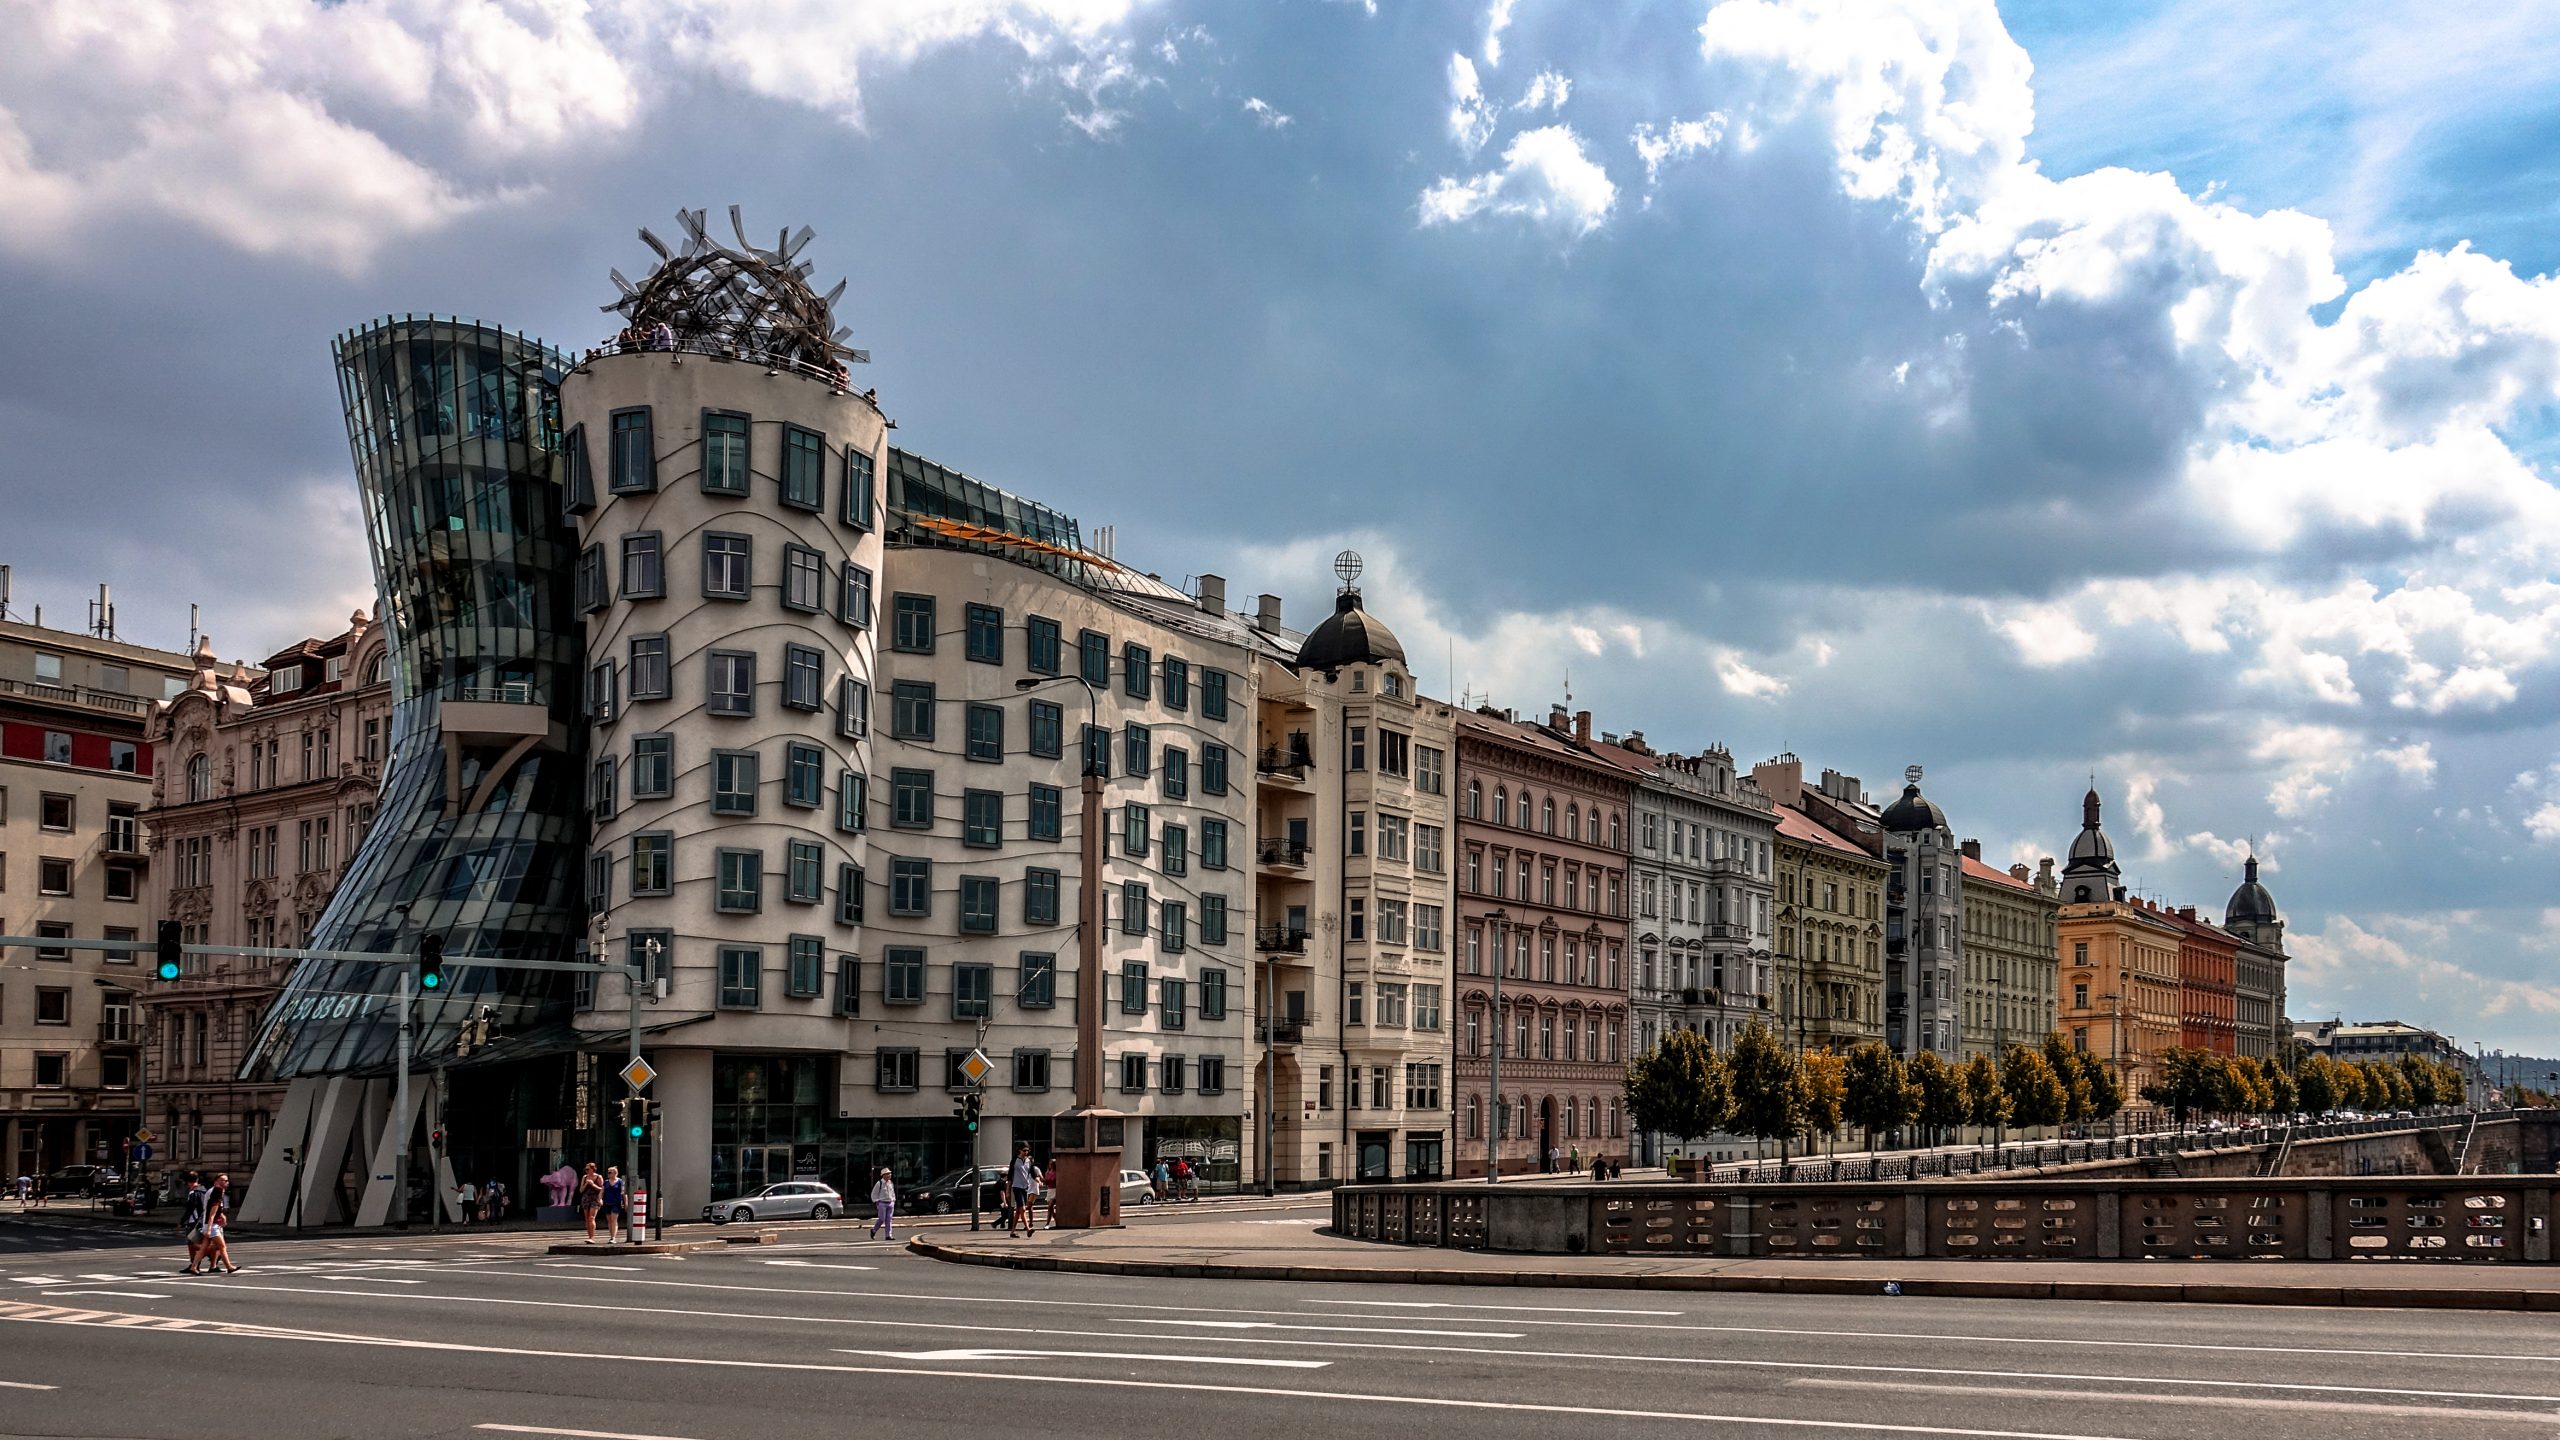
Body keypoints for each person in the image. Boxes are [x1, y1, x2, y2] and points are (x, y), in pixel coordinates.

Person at [202, 1174, 239, 1274]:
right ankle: (229, 1266)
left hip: (214, 1224)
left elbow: (216, 1208)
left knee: (213, 1246)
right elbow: (211, 1211)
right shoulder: (214, 1192)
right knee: (220, 1246)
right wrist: (209, 1228)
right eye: (223, 1180)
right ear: (216, 1181)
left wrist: (222, 1216)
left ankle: (210, 1265)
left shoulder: (219, 1191)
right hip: (212, 1224)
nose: (226, 1182)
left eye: (227, 1181)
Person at [177, 1172, 208, 1275]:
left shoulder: (193, 1193)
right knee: (196, 1242)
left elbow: (190, 1209)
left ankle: (208, 1254)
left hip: (193, 1221)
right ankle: (195, 1264)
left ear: (188, 1182)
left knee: (192, 1244)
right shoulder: (204, 1190)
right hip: (202, 1220)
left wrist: (181, 1222)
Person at [1007, 1143, 1036, 1238]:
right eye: (1024, 1150)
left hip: (1025, 1187)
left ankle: (1012, 1232)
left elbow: (1032, 1173)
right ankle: (1028, 1229)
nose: (1026, 1152)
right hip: (1016, 1186)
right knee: (1023, 1209)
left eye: (1027, 1151)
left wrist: (1038, 1180)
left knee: (1019, 1212)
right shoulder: (1015, 1160)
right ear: (1019, 1150)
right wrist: (1008, 1190)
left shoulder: (1028, 1161)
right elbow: (1010, 1176)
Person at [576, 1162, 605, 1242]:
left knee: (591, 1217)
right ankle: (589, 1236)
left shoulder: (598, 1177)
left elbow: (602, 1189)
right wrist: (586, 1183)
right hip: (586, 1198)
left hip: (595, 1198)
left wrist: (593, 1185)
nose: (587, 1170)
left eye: (588, 1169)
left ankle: (592, 1237)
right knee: (587, 1218)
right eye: (586, 1169)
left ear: (593, 1169)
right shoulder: (584, 1177)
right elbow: (581, 1190)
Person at [600, 1166, 628, 1242]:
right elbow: (602, 1191)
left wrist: (625, 1204)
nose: (608, 1174)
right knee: (609, 1220)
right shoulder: (606, 1182)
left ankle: (613, 1237)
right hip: (607, 1202)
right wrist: (600, 1199)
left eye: (610, 1172)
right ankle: (611, 1235)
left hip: (616, 1203)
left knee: (614, 1219)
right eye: (608, 1172)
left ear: (615, 1173)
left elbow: (624, 1193)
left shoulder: (620, 1182)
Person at [869, 1167, 897, 1240]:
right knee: (881, 1218)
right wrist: (876, 1201)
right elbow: (874, 1193)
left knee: (889, 1219)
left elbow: (892, 1192)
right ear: (884, 1175)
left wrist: (893, 1200)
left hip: (890, 1202)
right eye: (888, 1174)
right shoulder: (879, 1183)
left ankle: (888, 1235)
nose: (889, 1175)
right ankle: (874, 1230)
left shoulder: (891, 1183)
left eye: (890, 1173)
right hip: (882, 1203)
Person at [1039, 1161, 1058, 1230]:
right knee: (1051, 1209)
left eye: (1052, 1164)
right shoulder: (1047, 1173)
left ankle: (1047, 1223)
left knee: (1050, 1206)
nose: (1050, 1165)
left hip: (1055, 1189)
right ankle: (1056, 1221)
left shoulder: (1057, 1173)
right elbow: (1046, 1182)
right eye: (1049, 1164)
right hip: (1049, 1190)